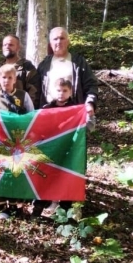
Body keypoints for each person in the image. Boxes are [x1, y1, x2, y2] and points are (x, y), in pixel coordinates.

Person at [39, 77, 93, 217]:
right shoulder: (47, 108)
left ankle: (70, 206)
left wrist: (89, 116)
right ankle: (53, 201)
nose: (61, 93)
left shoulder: (77, 109)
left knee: (68, 175)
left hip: (71, 149)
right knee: (52, 174)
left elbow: (89, 127)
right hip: (52, 149)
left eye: (65, 90)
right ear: (53, 91)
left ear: (70, 92)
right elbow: (40, 128)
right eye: (58, 90)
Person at [36, 27, 98, 116]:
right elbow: (37, 90)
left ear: (68, 41)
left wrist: (90, 103)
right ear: (50, 43)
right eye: (55, 39)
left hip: (73, 112)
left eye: (62, 38)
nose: (58, 42)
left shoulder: (78, 62)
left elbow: (91, 85)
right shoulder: (44, 64)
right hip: (48, 113)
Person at [0, 34, 40, 108]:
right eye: (4, 45)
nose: (7, 47)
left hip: (18, 114)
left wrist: (25, 113)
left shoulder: (27, 68)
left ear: (18, 48)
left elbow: (34, 93)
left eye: (11, 45)